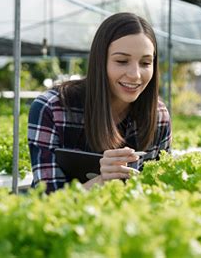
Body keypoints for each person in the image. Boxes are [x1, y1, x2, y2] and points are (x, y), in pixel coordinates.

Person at [28, 12, 171, 193]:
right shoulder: (52, 109)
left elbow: (162, 190)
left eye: (145, 63)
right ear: (99, 61)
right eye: (121, 61)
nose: (135, 74)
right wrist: (102, 181)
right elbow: (47, 200)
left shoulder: (158, 115)